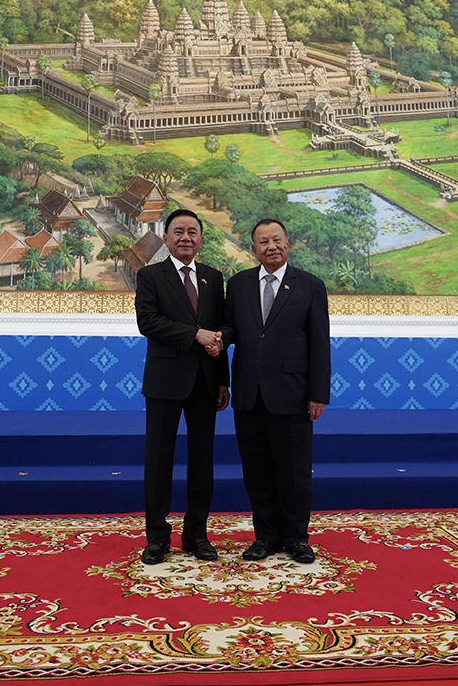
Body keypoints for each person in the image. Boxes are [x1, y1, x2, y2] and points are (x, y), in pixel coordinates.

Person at [222, 218, 330, 564]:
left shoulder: (310, 286)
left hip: (293, 394)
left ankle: (296, 538)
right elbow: (230, 330)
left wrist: (318, 393)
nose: (272, 246)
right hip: (248, 394)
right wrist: (216, 344)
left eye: (277, 240)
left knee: (294, 472)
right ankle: (265, 537)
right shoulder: (238, 285)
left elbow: (319, 343)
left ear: (288, 244)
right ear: (253, 248)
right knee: (257, 472)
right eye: (264, 242)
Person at [135, 208, 230, 565]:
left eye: (192, 231)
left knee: (202, 460)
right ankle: (157, 538)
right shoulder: (150, 276)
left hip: (205, 382)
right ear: (166, 238)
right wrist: (194, 334)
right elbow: (148, 322)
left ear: (201, 239)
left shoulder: (213, 277)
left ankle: (196, 535)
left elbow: (221, 328)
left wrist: (223, 378)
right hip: (164, 382)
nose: (186, 237)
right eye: (178, 231)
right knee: (158, 460)